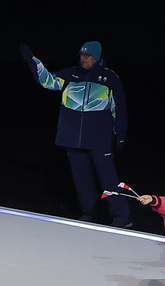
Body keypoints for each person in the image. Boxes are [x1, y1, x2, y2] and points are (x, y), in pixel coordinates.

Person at [20, 41, 130, 227]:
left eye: (87, 56)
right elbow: (47, 80)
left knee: (108, 179)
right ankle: (89, 214)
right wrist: (32, 60)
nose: (83, 59)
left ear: (97, 57)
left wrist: (120, 134)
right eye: (81, 55)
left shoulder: (109, 78)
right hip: (73, 139)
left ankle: (121, 217)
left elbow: (119, 108)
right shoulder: (70, 75)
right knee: (82, 180)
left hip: (99, 139)